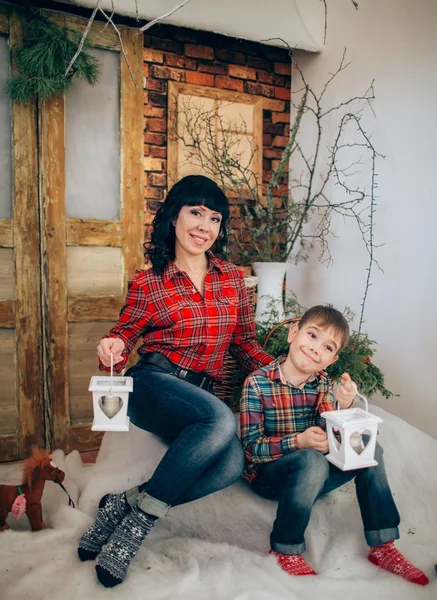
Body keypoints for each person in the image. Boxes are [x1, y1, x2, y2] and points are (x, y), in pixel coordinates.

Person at [77, 174, 274, 587]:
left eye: (214, 219)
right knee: (221, 422)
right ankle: (138, 528)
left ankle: (125, 506)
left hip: (199, 395)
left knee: (232, 463)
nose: (204, 226)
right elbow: (126, 333)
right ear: (174, 217)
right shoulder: (151, 282)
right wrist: (112, 344)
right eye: (196, 213)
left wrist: (283, 375)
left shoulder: (233, 280)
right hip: (153, 384)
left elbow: (244, 343)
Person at [240, 305, 429, 586]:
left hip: (314, 477)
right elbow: (251, 448)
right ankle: (284, 547)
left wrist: (344, 405)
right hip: (270, 478)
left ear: (331, 359)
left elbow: (335, 439)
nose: (316, 348)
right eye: (312, 336)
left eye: (327, 347)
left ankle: (383, 546)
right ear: (294, 333)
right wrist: (299, 441)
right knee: (310, 459)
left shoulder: (323, 385)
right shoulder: (257, 383)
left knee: (368, 448)